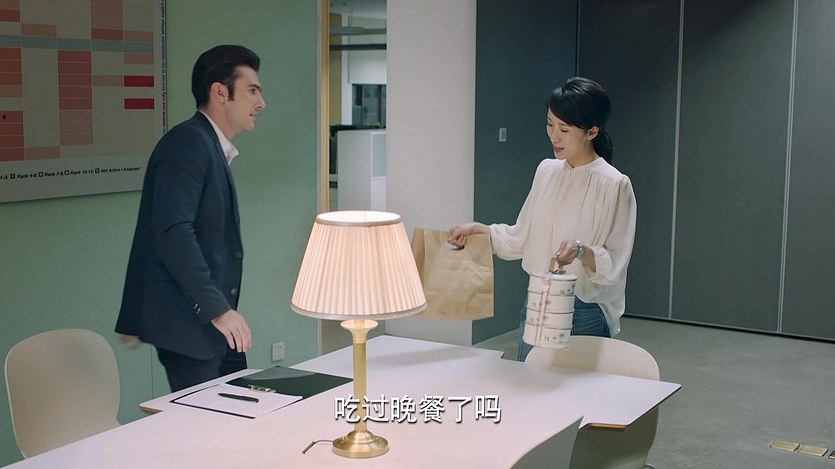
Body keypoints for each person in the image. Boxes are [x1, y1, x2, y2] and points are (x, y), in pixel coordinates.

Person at [448, 77, 636, 361]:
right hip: (537, 301)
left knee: (577, 391)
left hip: (584, 310)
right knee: (528, 383)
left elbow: (614, 266)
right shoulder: (546, 171)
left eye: (564, 129)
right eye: (550, 125)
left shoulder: (614, 184)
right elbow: (521, 237)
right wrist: (479, 230)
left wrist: (581, 251)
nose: (554, 136)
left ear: (592, 131)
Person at [116, 45, 267, 391]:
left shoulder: (208, 144)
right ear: (220, 92)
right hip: (191, 326)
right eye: (252, 91)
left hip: (215, 324)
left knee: (240, 407)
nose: (261, 103)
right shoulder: (187, 143)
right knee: (206, 420)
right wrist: (218, 310)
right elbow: (173, 232)